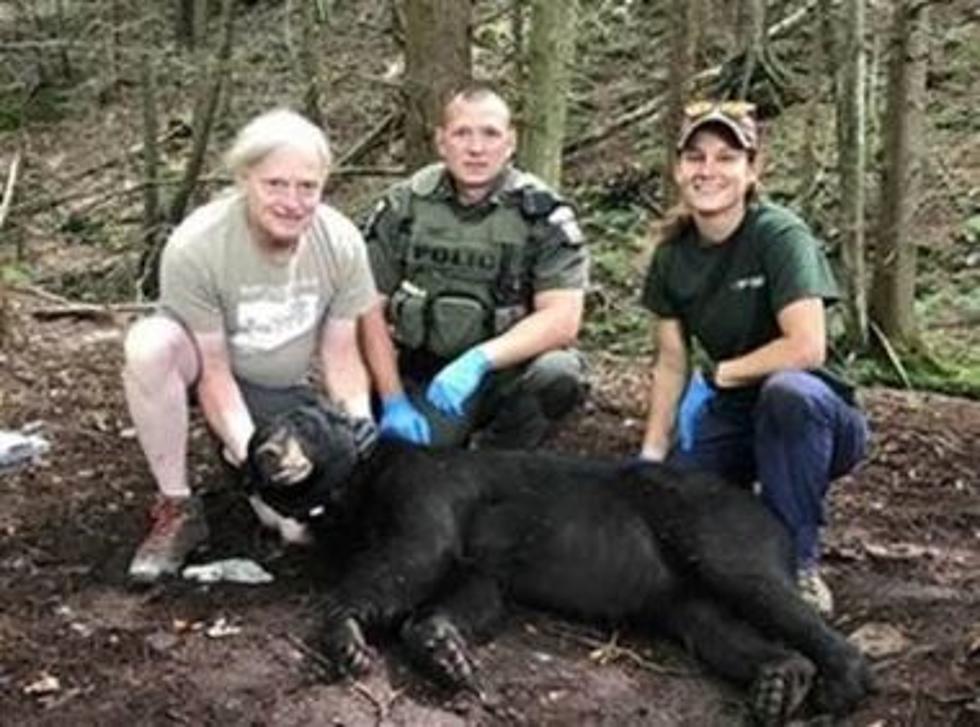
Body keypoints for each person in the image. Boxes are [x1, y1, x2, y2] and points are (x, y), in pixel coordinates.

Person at [123, 108, 378, 583]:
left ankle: (247, 465)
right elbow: (216, 373)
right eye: (275, 184)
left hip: (284, 390)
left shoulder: (340, 241)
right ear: (245, 178)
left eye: (308, 186)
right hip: (206, 377)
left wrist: (359, 424)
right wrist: (257, 466)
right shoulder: (197, 244)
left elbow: (342, 355)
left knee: (299, 532)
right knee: (148, 344)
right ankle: (177, 505)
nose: (292, 201)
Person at [638, 100, 869, 617]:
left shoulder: (778, 234)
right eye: (696, 158)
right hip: (732, 414)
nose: (709, 170)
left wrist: (722, 374)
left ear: (751, 170)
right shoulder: (672, 256)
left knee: (787, 394)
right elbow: (672, 361)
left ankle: (797, 566)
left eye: (726, 158)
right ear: (678, 169)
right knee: (675, 500)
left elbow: (807, 347)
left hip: (817, 412)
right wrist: (652, 454)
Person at [359, 84, 589, 449]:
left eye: (490, 134)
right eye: (462, 133)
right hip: (423, 372)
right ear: (441, 141)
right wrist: (392, 399)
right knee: (415, 467)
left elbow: (562, 318)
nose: (476, 148)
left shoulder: (542, 214)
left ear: (510, 142)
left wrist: (479, 360)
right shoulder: (404, 206)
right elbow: (366, 307)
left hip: (504, 373)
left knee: (558, 374)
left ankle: (497, 461)